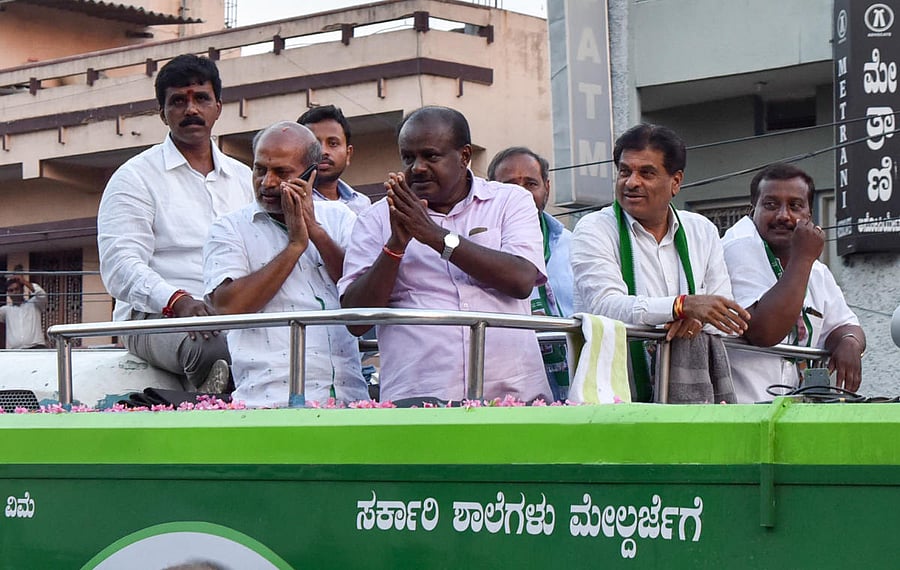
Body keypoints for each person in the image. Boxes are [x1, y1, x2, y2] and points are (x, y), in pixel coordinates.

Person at [339, 106, 552, 403]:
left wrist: (436, 237)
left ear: (464, 156)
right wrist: (395, 247)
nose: (418, 167)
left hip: (512, 393)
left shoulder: (509, 201)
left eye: (431, 156)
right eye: (408, 157)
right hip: (418, 398)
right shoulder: (376, 219)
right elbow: (356, 319)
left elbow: (521, 280)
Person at [97, 54, 253, 392]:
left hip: (234, 312)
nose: (191, 109)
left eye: (201, 98)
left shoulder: (245, 179)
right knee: (212, 348)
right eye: (178, 101)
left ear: (218, 107)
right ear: (163, 112)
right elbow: (120, 265)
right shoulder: (135, 177)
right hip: (156, 317)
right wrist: (177, 300)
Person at [570, 123, 750, 401]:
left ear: (676, 182)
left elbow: (722, 313)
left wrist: (695, 318)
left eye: (647, 173)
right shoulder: (593, 228)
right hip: (612, 395)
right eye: (624, 171)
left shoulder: (701, 230)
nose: (631, 182)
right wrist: (681, 307)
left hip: (684, 396)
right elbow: (605, 306)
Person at [203, 122, 368, 407]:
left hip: (348, 397)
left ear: (310, 175)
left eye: (281, 173)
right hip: (266, 400)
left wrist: (314, 230)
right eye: (259, 170)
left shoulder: (341, 218)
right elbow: (228, 308)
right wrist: (294, 247)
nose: (267, 183)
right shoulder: (229, 228)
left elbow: (360, 294)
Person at [722, 163, 865, 402]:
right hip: (741, 412)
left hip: (792, 413)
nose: (783, 215)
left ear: (808, 216)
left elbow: (846, 325)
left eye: (795, 206)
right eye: (771, 205)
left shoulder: (815, 268)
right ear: (752, 210)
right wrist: (803, 257)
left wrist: (849, 342)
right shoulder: (738, 246)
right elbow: (764, 332)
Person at [487, 147, 573, 398]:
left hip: (576, 391)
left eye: (531, 184)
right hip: (509, 392)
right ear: (491, 189)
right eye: (511, 185)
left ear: (546, 187)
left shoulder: (573, 246)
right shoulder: (480, 251)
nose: (522, 194)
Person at [297, 105, 371, 214]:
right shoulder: (292, 201)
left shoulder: (362, 204)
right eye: (314, 144)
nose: (323, 152)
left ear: (348, 154)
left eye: (333, 143)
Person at [0, 274, 48, 349]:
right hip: (14, 352)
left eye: (17, 289)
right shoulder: (5, 310)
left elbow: (41, 294)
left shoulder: (34, 304)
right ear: (8, 293)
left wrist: (24, 281)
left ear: (22, 290)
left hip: (36, 348)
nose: (14, 292)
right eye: (11, 290)